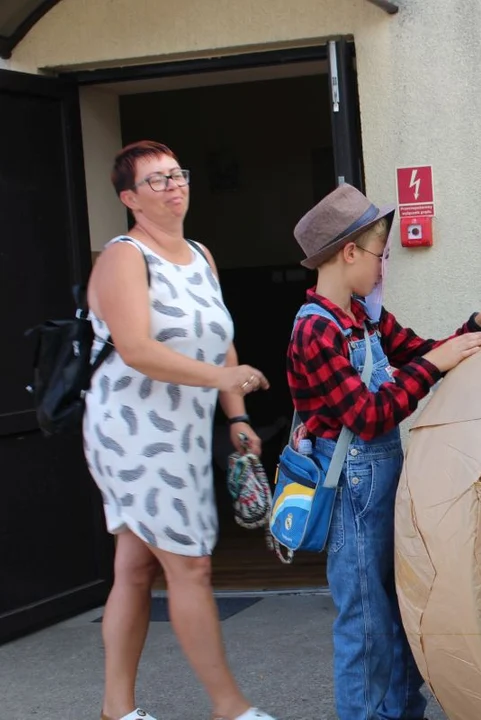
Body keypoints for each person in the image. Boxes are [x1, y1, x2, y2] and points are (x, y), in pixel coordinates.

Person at [286, 183, 481, 719]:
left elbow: (422, 353)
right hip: (350, 498)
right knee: (364, 625)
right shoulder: (315, 331)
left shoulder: (364, 316)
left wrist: (477, 325)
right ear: (348, 252)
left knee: (397, 613)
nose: (384, 269)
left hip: (380, 489)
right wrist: (437, 364)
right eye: (381, 256)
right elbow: (370, 413)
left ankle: (402, 713)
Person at [85, 141, 277, 720]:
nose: (173, 186)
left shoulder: (200, 254)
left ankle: (117, 710)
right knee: (190, 566)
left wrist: (235, 413)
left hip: (186, 430)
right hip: (132, 430)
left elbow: (218, 336)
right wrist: (228, 376)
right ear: (129, 199)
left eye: (177, 174)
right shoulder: (123, 257)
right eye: (156, 180)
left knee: (135, 567)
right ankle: (231, 707)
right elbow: (137, 350)